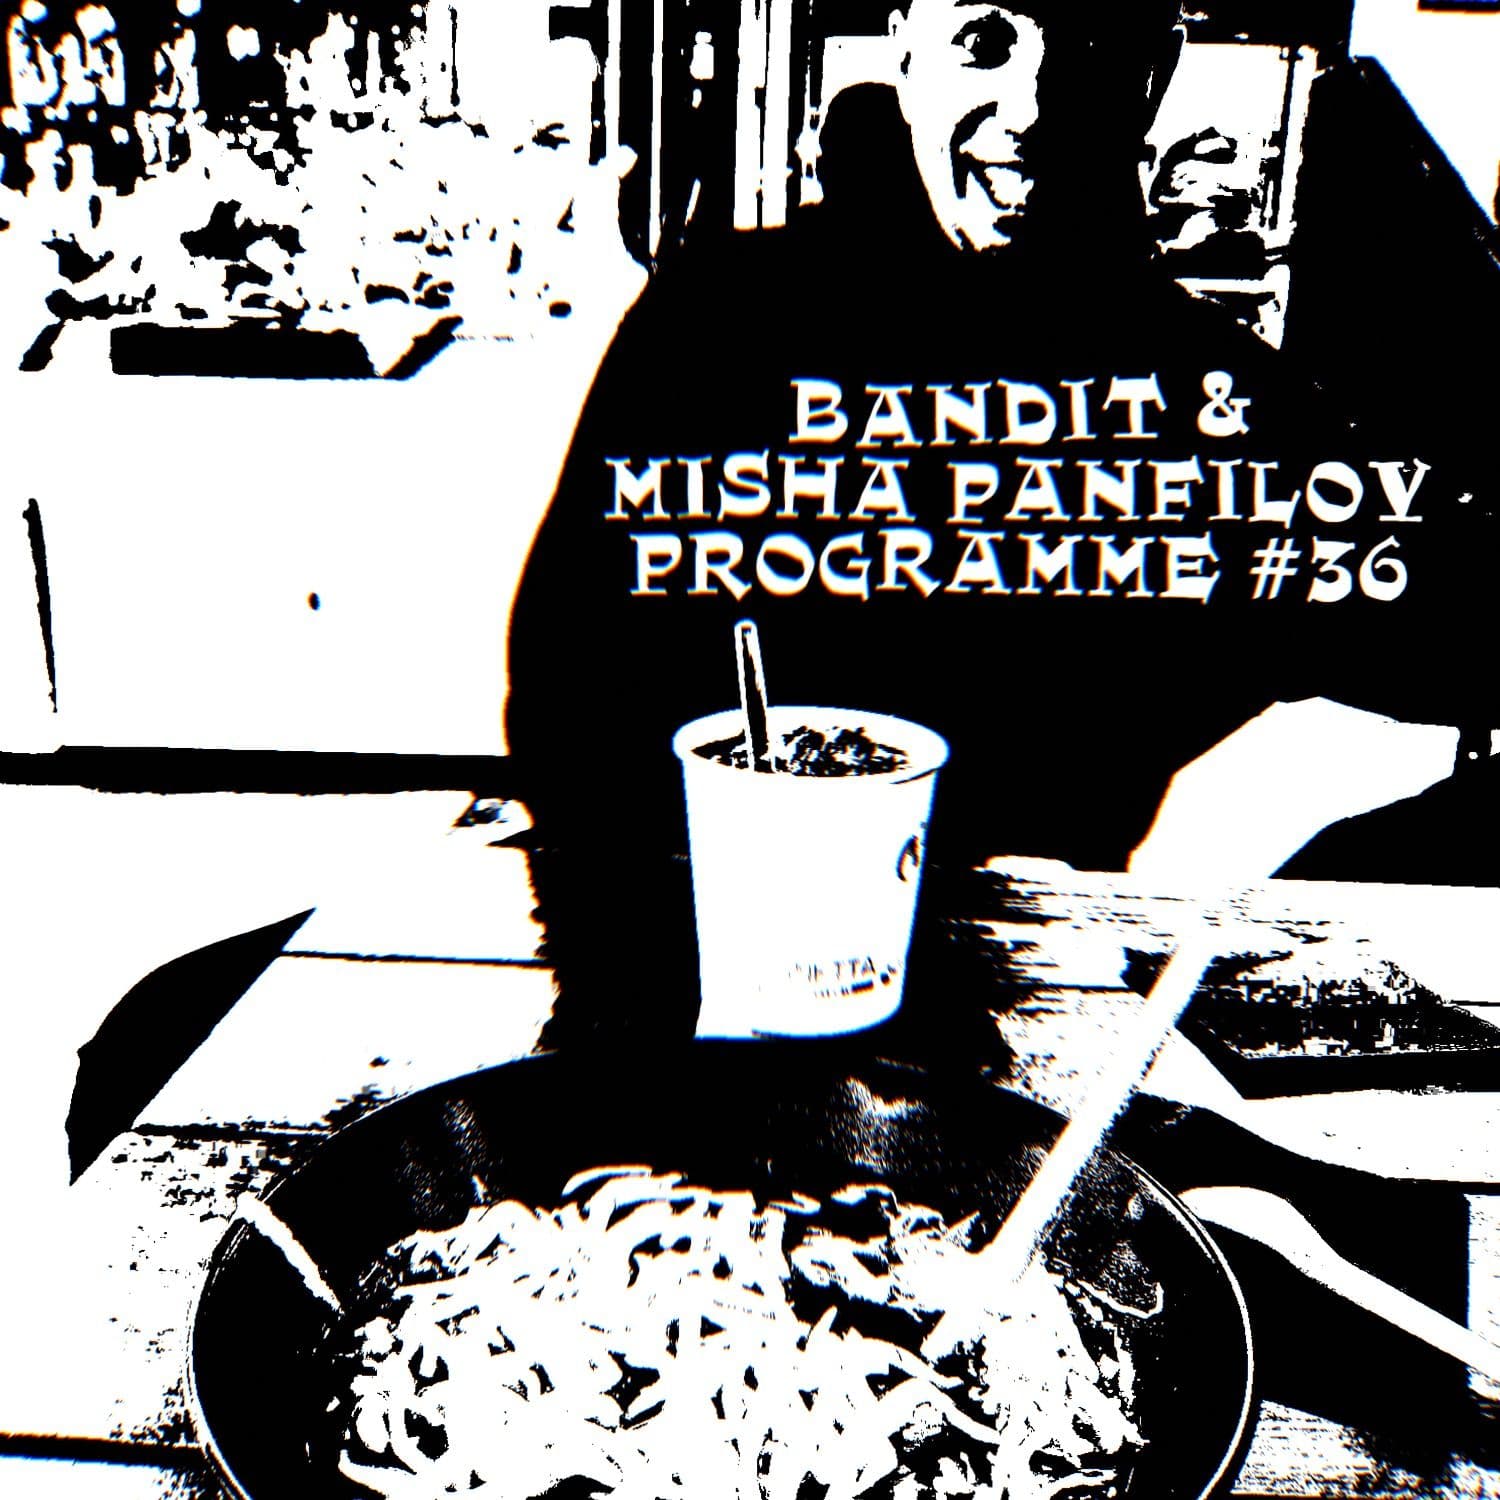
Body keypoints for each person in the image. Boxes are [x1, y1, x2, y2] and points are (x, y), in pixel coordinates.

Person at [506, 0, 1497, 1049]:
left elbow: (1442, 616)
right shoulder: (715, 322)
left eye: (1088, 48)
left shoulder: (1200, 388)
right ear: (906, 51)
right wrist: (642, 996)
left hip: (1017, 1019)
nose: (1028, 107)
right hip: (702, 996)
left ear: (1151, 76)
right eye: (985, 43)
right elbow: (570, 703)